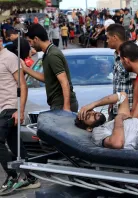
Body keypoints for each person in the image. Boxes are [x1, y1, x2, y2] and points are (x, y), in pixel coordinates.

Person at [0, 37, 40, 192]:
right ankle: (30, 177)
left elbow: (23, 85)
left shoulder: (10, 58)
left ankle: (12, 175)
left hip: (10, 107)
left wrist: (20, 110)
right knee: (15, 144)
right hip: (2, 108)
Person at [23, 24, 78, 112]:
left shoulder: (52, 54)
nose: (31, 45)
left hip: (61, 104)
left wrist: (66, 107)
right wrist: (26, 69)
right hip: (57, 103)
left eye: (30, 41)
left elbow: (64, 82)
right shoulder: (48, 53)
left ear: (36, 39)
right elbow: (47, 78)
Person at [106, 24, 136, 121]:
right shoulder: (116, 55)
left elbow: (137, 84)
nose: (107, 41)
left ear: (115, 37)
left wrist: (133, 111)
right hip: (116, 108)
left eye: (108, 38)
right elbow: (119, 81)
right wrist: (112, 101)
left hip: (127, 111)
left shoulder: (129, 54)